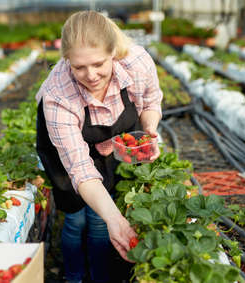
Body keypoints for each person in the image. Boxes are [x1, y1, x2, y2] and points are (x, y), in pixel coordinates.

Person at [35, 10, 163, 283]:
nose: (90, 75)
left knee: (99, 219)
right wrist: (117, 221)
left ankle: (100, 276)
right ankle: (74, 276)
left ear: (114, 52)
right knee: (75, 217)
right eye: (79, 67)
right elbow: (80, 169)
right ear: (66, 59)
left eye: (98, 64)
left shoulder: (138, 63)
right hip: (67, 151)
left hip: (110, 143)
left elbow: (151, 101)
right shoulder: (58, 94)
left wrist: (150, 128)